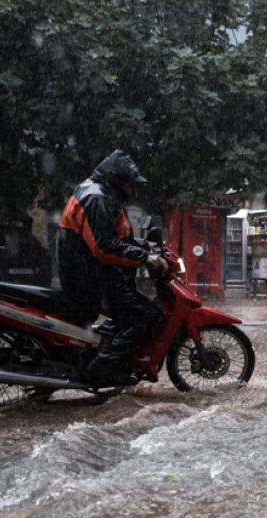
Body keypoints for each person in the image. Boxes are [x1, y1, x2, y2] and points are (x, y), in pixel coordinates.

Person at [57, 150, 166, 386]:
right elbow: (103, 247)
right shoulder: (97, 198)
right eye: (130, 183)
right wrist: (145, 257)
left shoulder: (98, 192)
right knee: (148, 316)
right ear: (117, 179)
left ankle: (106, 352)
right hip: (91, 279)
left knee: (131, 312)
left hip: (90, 274)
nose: (133, 189)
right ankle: (102, 367)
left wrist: (143, 245)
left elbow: (110, 237)